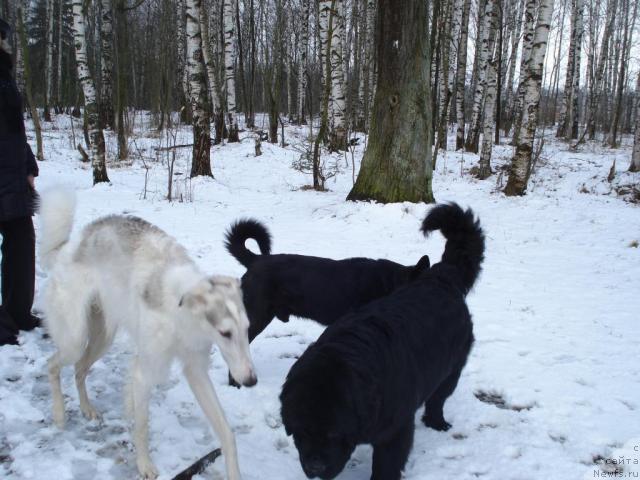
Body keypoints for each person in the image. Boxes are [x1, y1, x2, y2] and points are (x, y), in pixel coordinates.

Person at [0, 17, 40, 346]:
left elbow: (15, 130)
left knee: (22, 243)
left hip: (11, 176)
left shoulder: (4, 77)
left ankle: (18, 312)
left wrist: (28, 166)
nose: (4, 43)